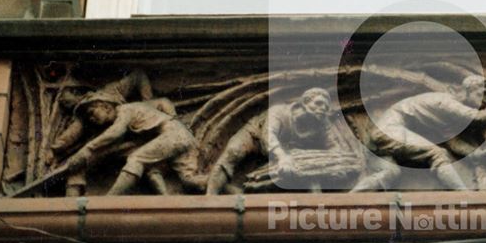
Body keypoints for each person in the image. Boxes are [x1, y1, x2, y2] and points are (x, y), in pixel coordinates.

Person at [352, 74, 486, 191]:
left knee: (388, 175)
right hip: (391, 130)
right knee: (437, 154)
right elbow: (477, 118)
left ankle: (349, 198)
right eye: (479, 93)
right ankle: (464, 195)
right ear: (465, 91)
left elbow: (451, 140)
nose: (483, 99)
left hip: (378, 138)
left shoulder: (447, 116)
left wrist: (473, 155)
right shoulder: (445, 103)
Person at [206, 88, 360, 194]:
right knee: (233, 152)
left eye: (326, 107)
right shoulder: (279, 112)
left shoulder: (322, 123)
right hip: (256, 135)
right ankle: (210, 197)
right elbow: (268, 136)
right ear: (304, 103)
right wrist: (282, 157)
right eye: (318, 103)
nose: (322, 109)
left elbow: (333, 147)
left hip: (291, 153)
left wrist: (334, 164)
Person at [66, 92, 205, 195]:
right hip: (184, 138)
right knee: (190, 182)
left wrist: (87, 149)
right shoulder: (138, 110)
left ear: (106, 106)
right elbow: (163, 101)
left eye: (92, 112)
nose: (91, 118)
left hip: (175, 136)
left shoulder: (125, 110)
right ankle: (224, 180)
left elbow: (115, 132)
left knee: (136, 158)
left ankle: (109, 199)